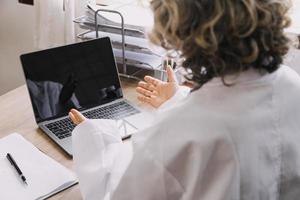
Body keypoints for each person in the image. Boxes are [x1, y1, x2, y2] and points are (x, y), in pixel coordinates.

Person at [69, 0, 300, 199]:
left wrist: (96, 138)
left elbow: (114, 195)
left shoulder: (173, 136)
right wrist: (178, 100)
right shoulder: (292, 85)